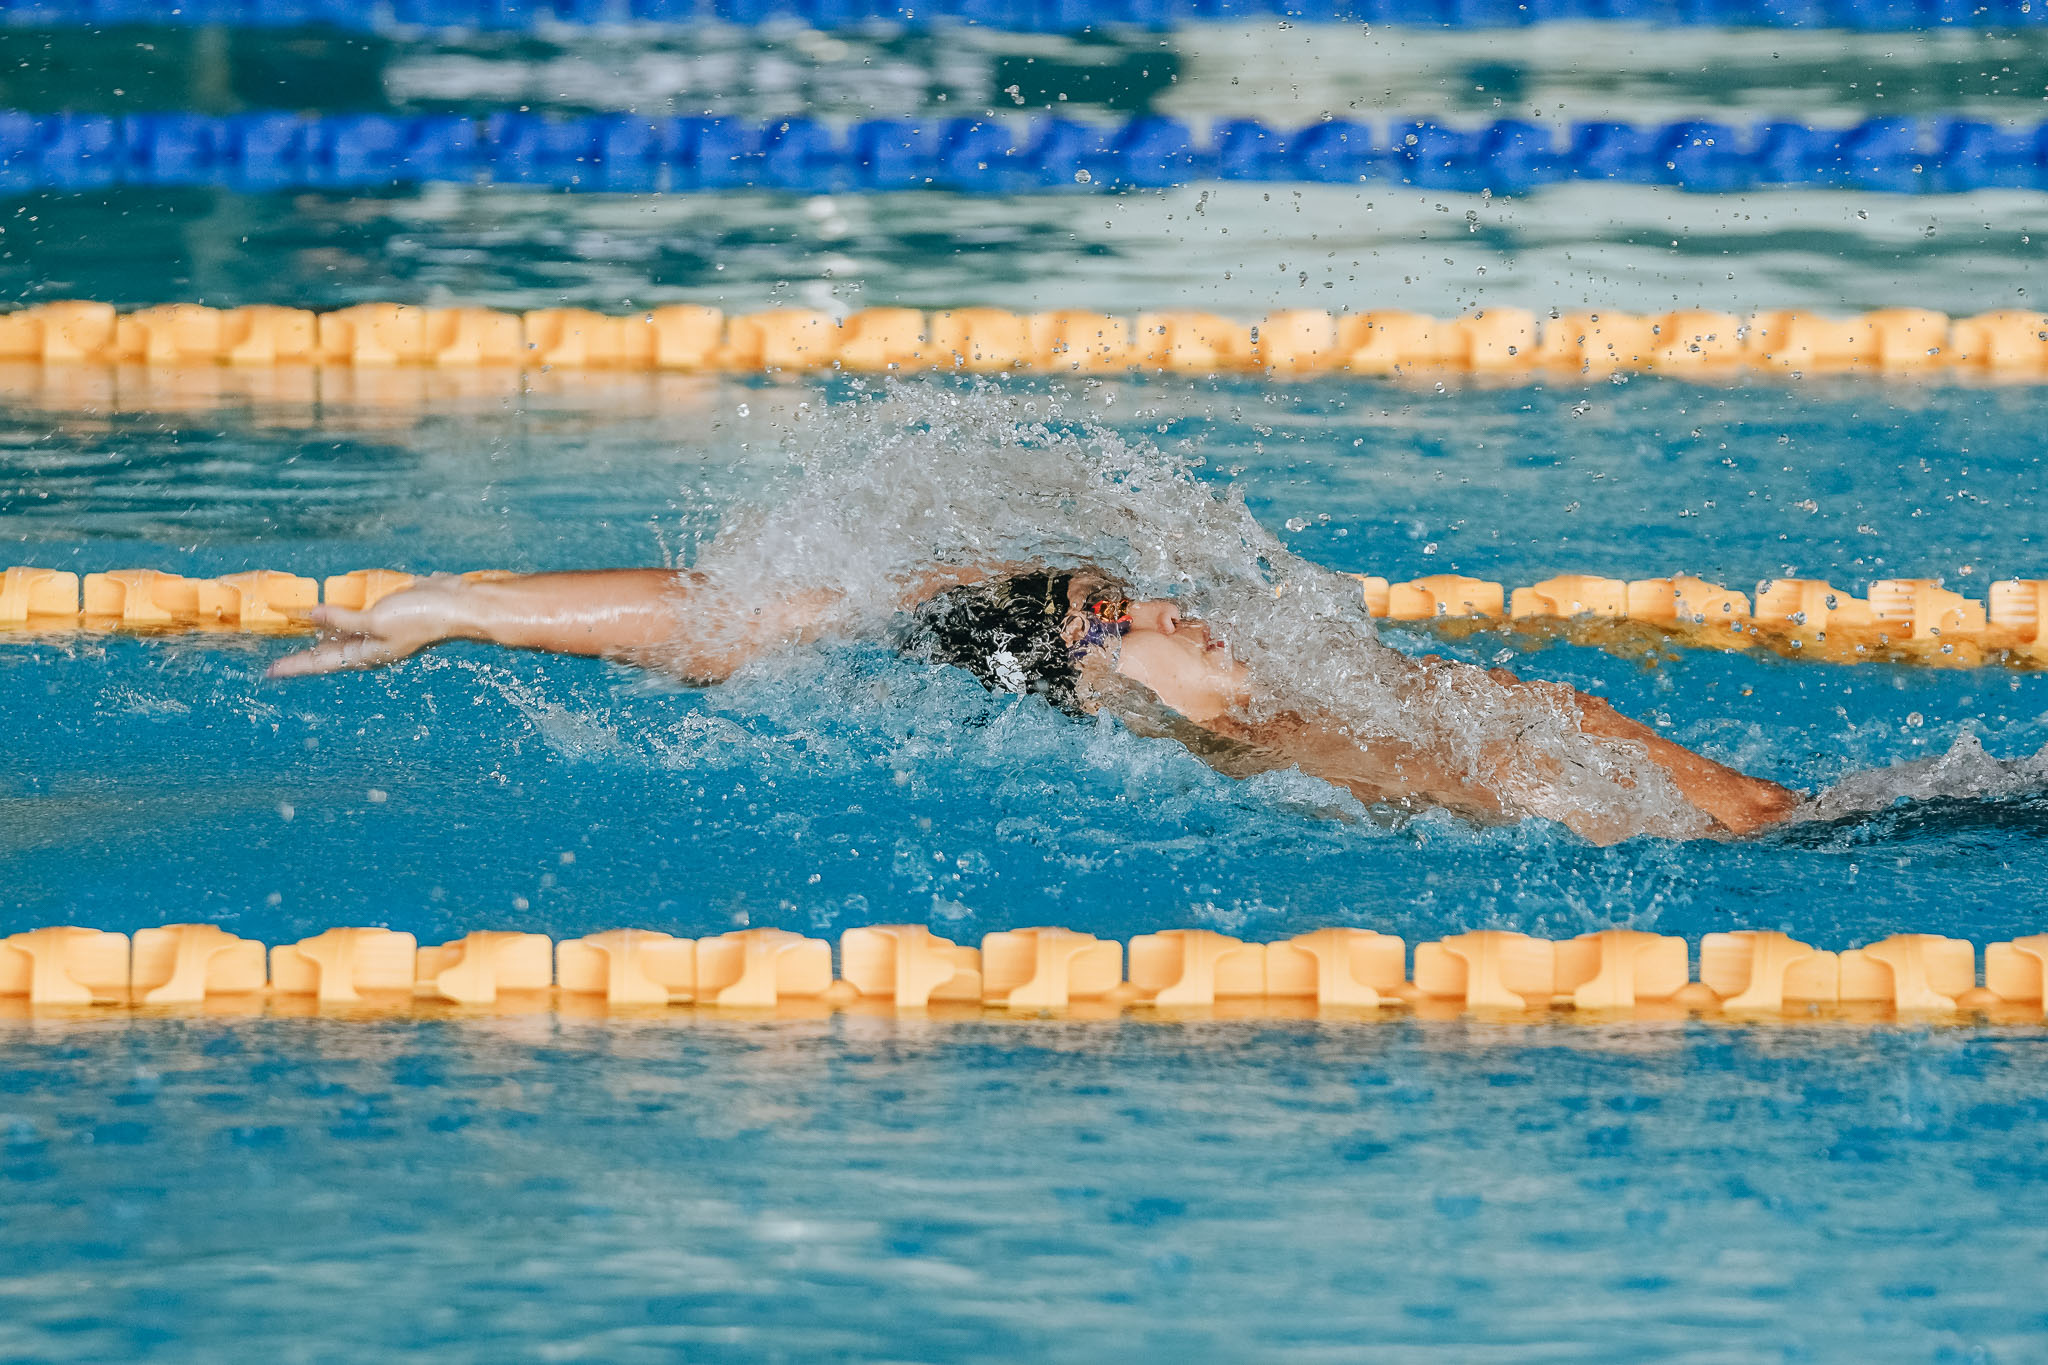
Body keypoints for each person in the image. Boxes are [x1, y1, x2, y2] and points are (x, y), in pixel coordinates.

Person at [268, 561, 1802, 844]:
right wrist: (459, 611)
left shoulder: (1269, 696)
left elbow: (729, 626)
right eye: (1135, 620)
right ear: (1095, 668)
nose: (1181, 613)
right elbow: (727, 629)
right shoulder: (1246, 720)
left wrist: (464, 606)